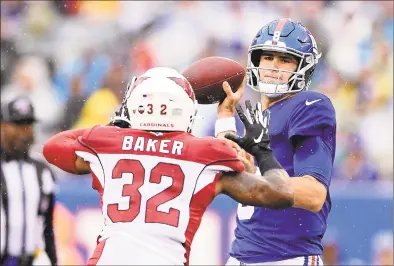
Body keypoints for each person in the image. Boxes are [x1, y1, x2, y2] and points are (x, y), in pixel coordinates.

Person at [43, 67, 294, 265]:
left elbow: (53, 148)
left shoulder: (107, 143)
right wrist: (264, 151)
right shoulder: (205, 152)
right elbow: (280, 193)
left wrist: (113, 128)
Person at [215, 18, 337, 265]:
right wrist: (225, 114)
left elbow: (314, 194)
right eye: (267, 57)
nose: (273, 66)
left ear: (303, 67)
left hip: (285, 258)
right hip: (241, 254)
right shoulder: (256, 116)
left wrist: (259, 177)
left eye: (284, 59)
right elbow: (235, 167)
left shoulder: (307, 106)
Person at [0, 97, 58, 266]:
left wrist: (53, 261)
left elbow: (47, 228)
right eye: (17, 125)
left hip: (31, 261)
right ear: (2, 126)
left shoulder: (43, 172)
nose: (24, 131)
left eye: (28, 125)